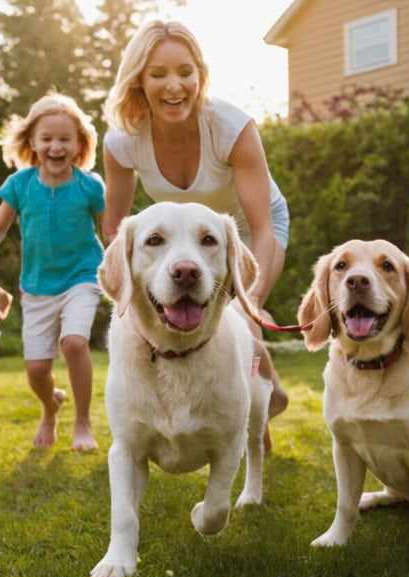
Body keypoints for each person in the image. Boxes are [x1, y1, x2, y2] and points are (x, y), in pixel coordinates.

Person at [101, 20, 290, 445]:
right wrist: (126, 287)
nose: (174, 85)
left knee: (243, 319)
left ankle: (251, 403)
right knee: (236, 323)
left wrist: (251, 297)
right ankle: (271, 392)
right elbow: (115, 226)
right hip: (186, 241)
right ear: (138, 82)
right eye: (159, 74)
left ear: (200, 75)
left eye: (185, 71)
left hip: (248, 228)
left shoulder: (231, 128)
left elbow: (261, 227)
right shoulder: (122, 142)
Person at [0, 92, 104, 452]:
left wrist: (122, 265)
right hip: (38, 286)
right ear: (33, 143)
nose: (55, 146)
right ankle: (50, 408)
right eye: (47, 139)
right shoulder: (20, 184)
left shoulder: (90, 186)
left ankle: (83, 422)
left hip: (83, 276)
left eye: (64, 139)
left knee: (74, 343)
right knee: (37, 370)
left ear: (79, 144)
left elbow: (110, 230)